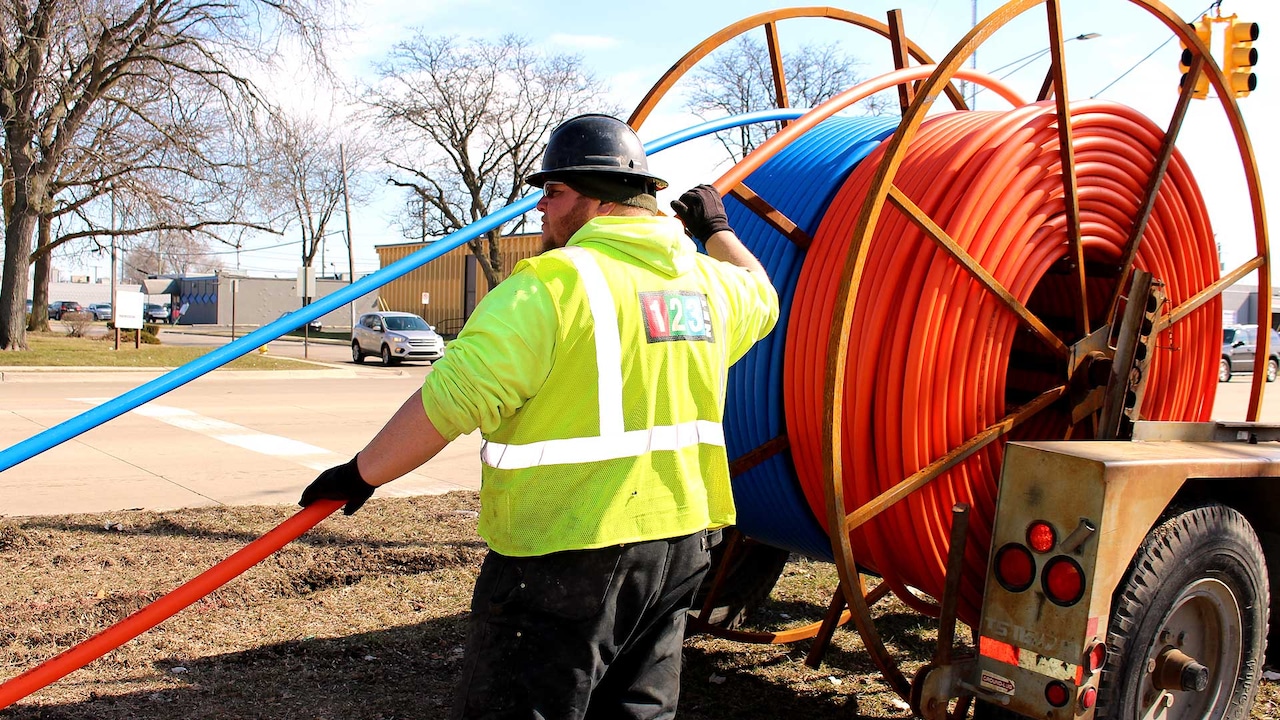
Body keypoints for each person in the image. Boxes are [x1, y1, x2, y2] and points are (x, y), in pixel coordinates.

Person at [300, 113, 779, 719]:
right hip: (679, 548)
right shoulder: (709, 288)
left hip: (565, 552)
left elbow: (449, 401)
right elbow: (760, 291)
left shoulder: (548, 287)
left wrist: (360, 474)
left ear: (600, 200)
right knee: (637, 711)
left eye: (553, 192)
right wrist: (716, 229)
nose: (541, 211)